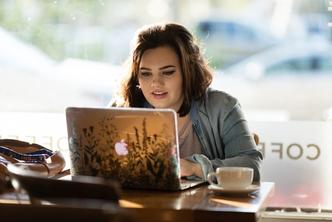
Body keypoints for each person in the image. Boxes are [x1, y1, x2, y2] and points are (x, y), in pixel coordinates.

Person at [111, 22, 263, 182]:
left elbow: (251, 166)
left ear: (188, 71)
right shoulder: (121, 108)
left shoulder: (223, 107)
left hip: (205, 205)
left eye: (167, 72)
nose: (155, 83)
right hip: (137, 204)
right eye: (146, 74)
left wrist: (194, 168)